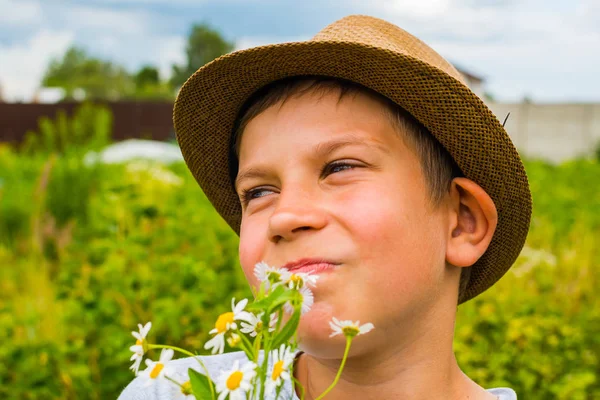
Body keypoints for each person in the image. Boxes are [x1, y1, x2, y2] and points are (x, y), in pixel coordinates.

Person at [119, 14, 531, 400]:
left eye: (339, 167)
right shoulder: (171, 390)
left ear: (462, 223)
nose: (284, 217)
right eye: (259, 192)